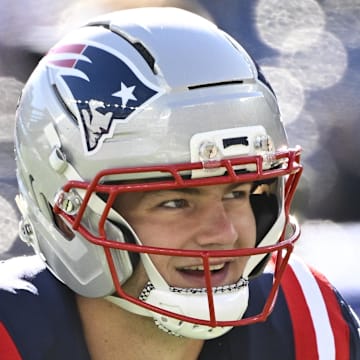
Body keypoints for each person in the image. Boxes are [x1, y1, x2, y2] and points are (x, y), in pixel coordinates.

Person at [0, 7, 359, 360]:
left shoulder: (309, 322)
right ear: (67, 216)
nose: (222, 233)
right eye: (175, 202)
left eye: (236, 193)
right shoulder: (11, 334)